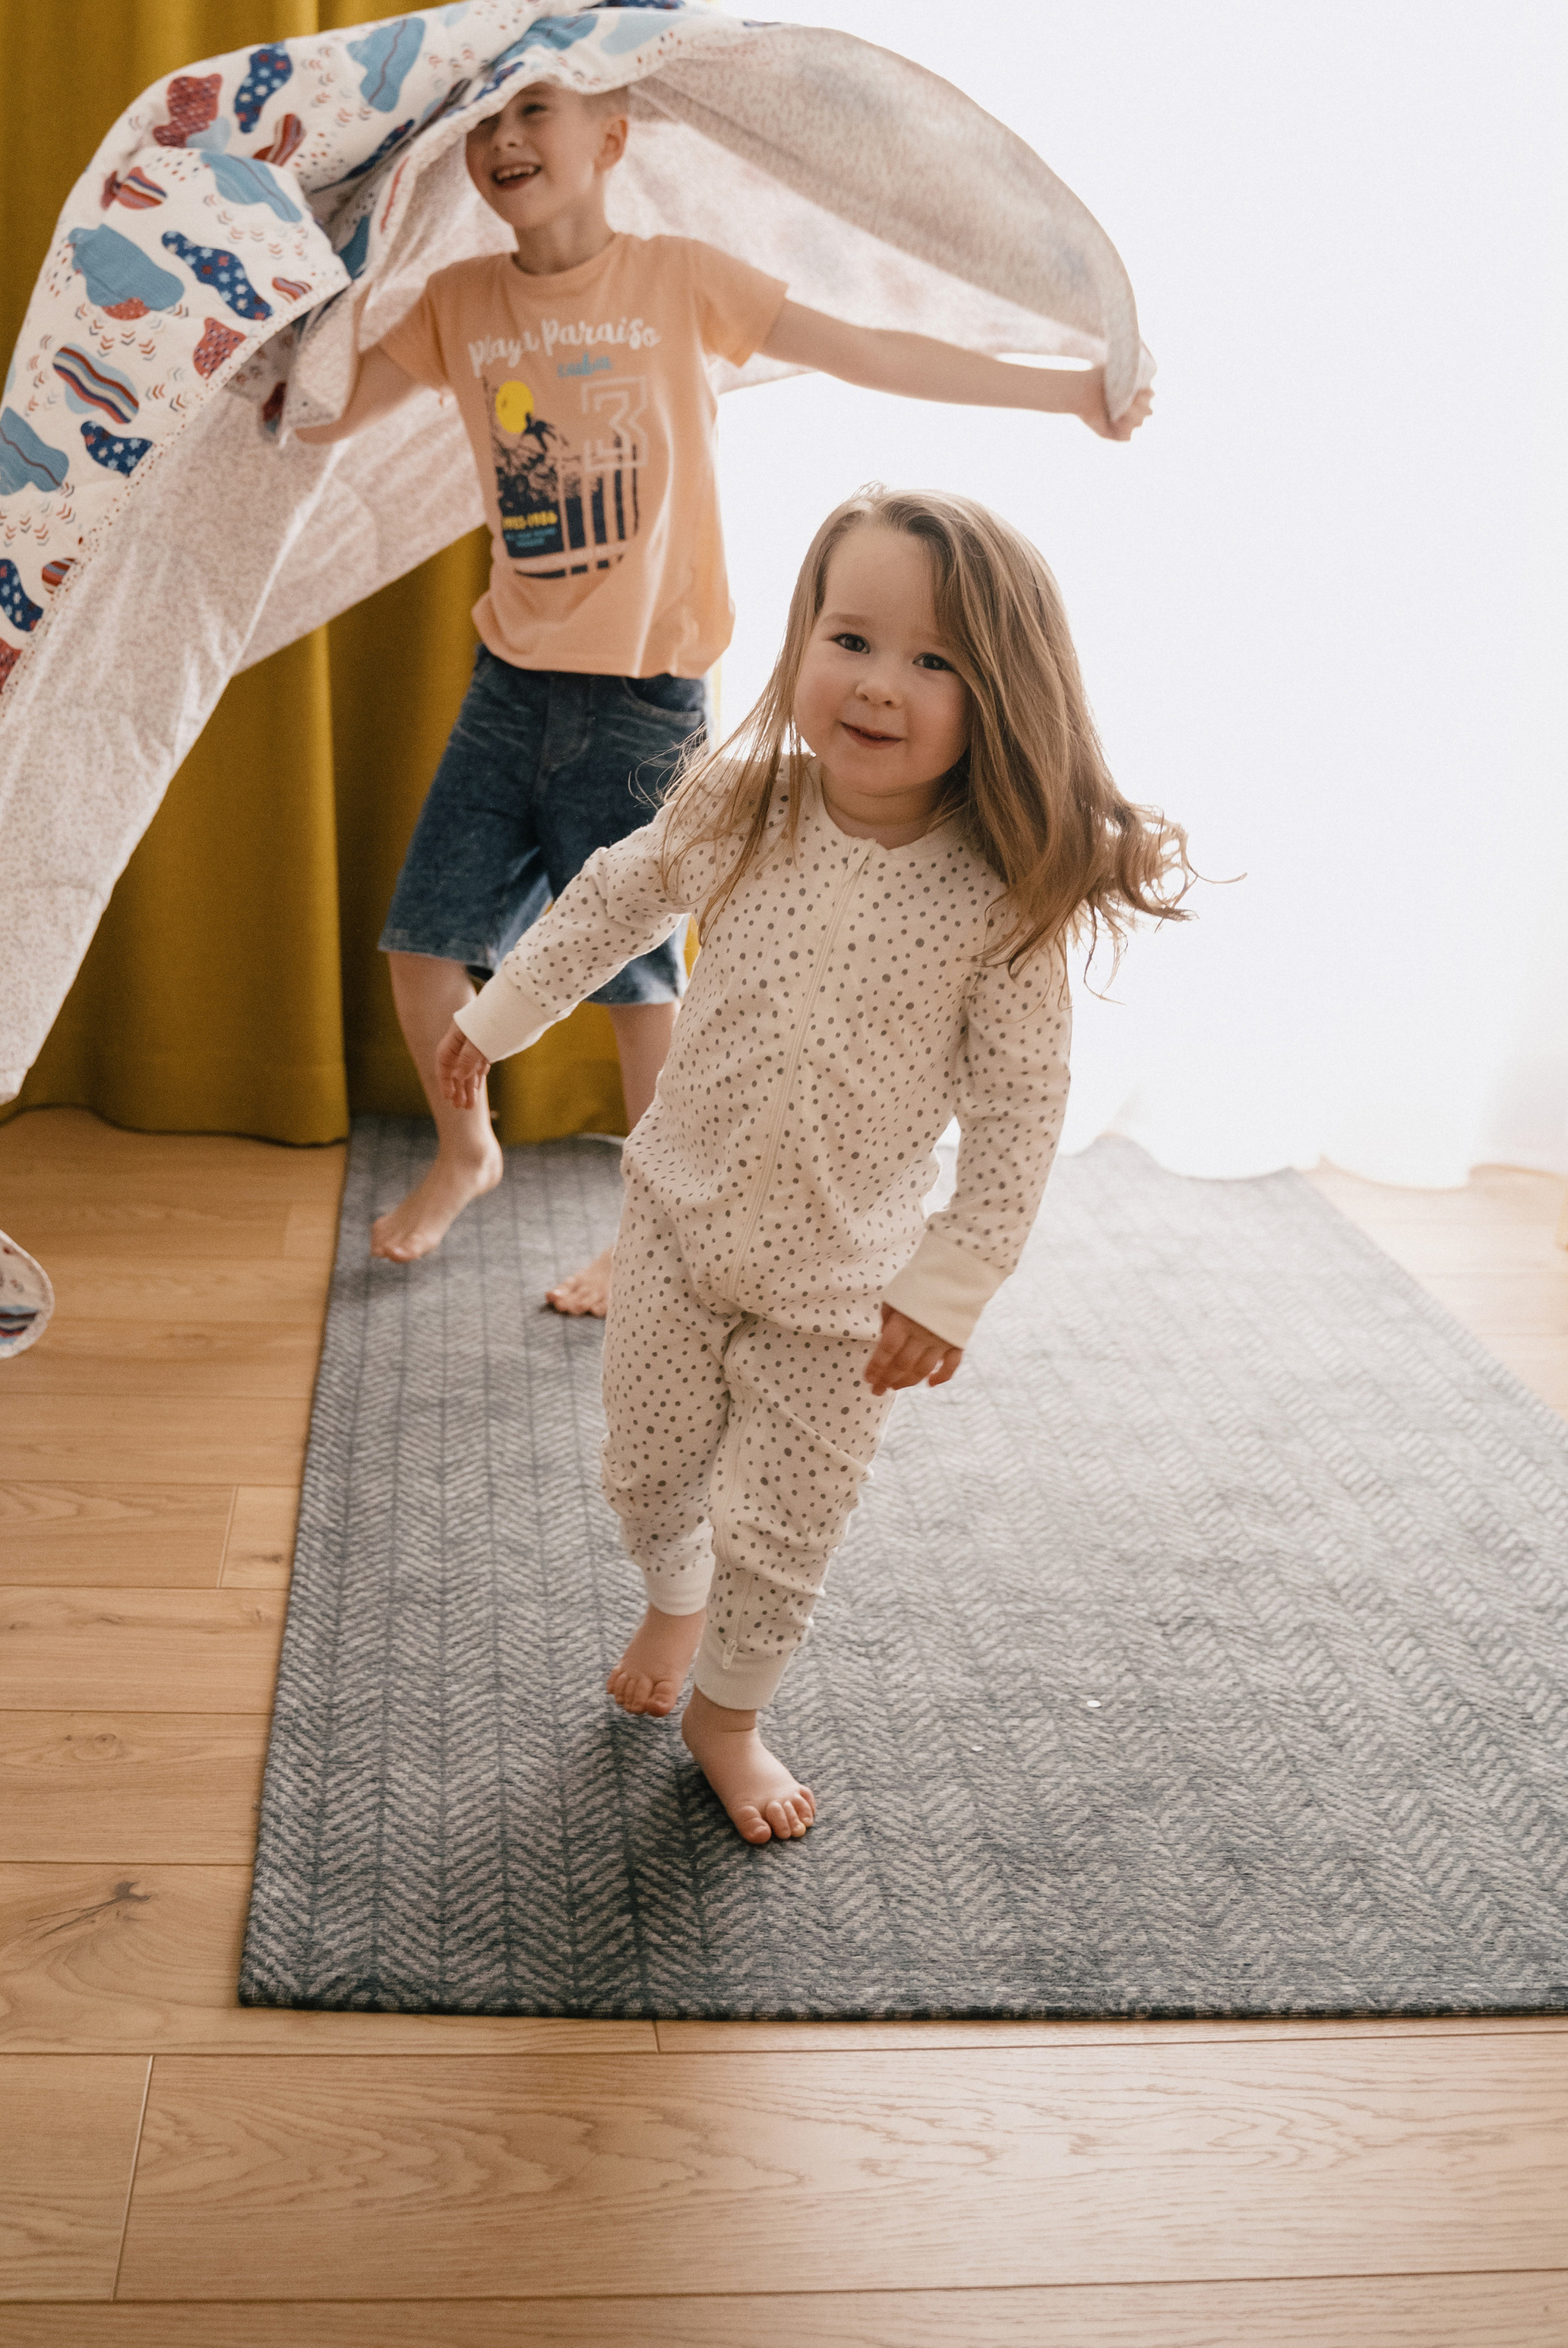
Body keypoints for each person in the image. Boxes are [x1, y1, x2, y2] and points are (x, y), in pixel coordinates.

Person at [300, 78, 1152, 1314]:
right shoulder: (460, 306)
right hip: (509, 687)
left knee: (641, 990)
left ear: (612, 138)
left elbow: (865, 352)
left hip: (645, 697)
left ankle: (643, 1234)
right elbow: (316, 418)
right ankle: (463, 1151)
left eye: (535, 110)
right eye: (482, 124)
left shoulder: (675, 281)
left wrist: (1067, 389)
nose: (504, 140)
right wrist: (260, 303)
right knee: (424, 949)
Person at [435, 488, 1191, 1843]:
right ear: (799, 644)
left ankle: (729, 1721)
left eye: (936, 659)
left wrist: (951, 1286)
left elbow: (1023, 1107)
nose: (881, 685)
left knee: (784, 1534)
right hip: (675, 1224)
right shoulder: (741, 807)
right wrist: (491, 1024)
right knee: (646, 1473)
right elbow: (612, 898)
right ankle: (673, 1603)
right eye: (852, 638)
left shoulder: (1002, 895)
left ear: (1002, 691)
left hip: (846, 1286)